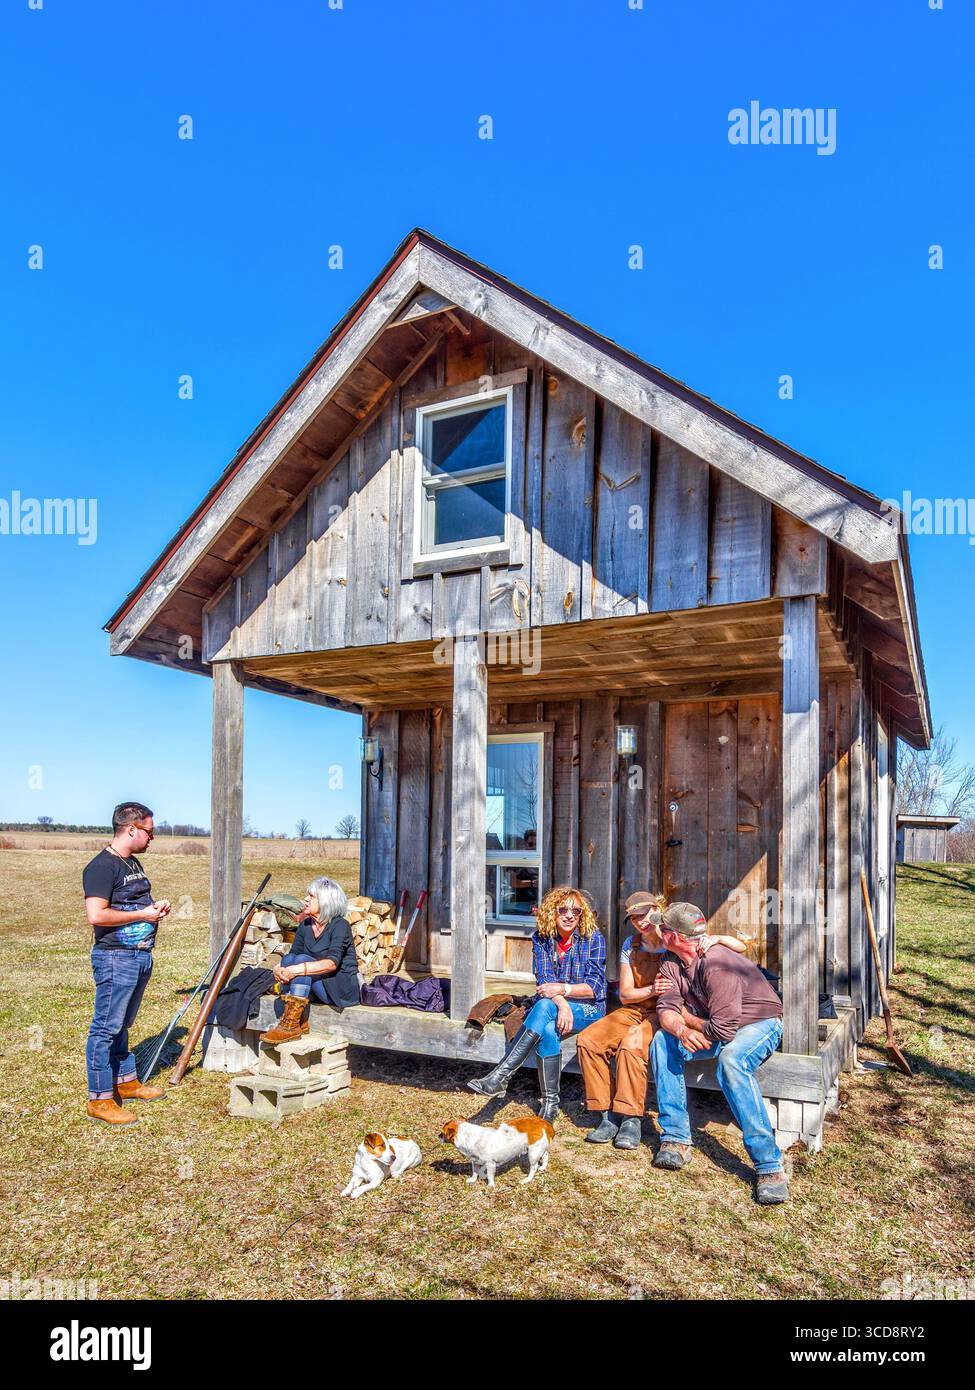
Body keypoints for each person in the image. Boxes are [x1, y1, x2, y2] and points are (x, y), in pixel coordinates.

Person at [577, 892, 748, 1149]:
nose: (640, 922)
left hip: (666, 1011)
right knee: (589, 1040)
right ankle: (605, 1114)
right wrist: (651, 990)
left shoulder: (675, 938)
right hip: (635, 1007)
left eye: (644, 915)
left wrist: (716, 939)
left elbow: (741, 947)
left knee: (632, 1045)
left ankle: (631, 1118)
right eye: (634, 918)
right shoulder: (631, 945)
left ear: (657, 911)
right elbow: (625, 994)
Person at [648, 902, 789, 1204]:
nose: (657, 931)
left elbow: (724, 1032)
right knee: (663, 1041)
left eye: (663, 927)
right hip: (712, 1025)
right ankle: (675, 1139)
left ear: (675, 935)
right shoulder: (671, 963)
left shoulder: (717, 964)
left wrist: (690, 1020)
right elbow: (667, 1010)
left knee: (732, 1061)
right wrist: (683, 1030)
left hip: (759, 1023)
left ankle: (769, 1165)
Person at [467, 885, 607, 1121]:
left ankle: (502, 1075)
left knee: (543, 1006)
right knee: (548, 1027)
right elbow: (544, 980)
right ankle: (550, 1103)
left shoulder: (592, 938)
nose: (570, 915)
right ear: (552, 912)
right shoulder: (542, 939)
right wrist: (562, 1004)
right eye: (563, 909)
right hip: (555, 1007)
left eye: (576, 911)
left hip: (589, 1009)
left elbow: (595, 988)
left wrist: (562, 990)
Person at [83, 802, 171, 1126]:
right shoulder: (101, 867)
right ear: (131, 828)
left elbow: (134, 902)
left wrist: (154, 909)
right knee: (105, 1027)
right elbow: (97, 915)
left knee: (122, 1024)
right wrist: (142, 915)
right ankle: (100, 1098)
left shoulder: (132, 864)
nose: (153, 837)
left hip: (138, 957)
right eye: (149, 831)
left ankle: (126, 1081)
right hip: (115, 958)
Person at [260, 877, 360, 1044]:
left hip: (340, 989)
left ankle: (291, 1025)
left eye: (311, 896)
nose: (305, 899)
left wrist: (297, 969)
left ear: (326, 901)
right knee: (291, 958)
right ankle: (297, 1021)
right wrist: (278, 969)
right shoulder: (306, 925)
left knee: (300, 961)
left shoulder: (340, 925)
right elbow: (291, 958)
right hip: (316, 984)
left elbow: (332, 963)